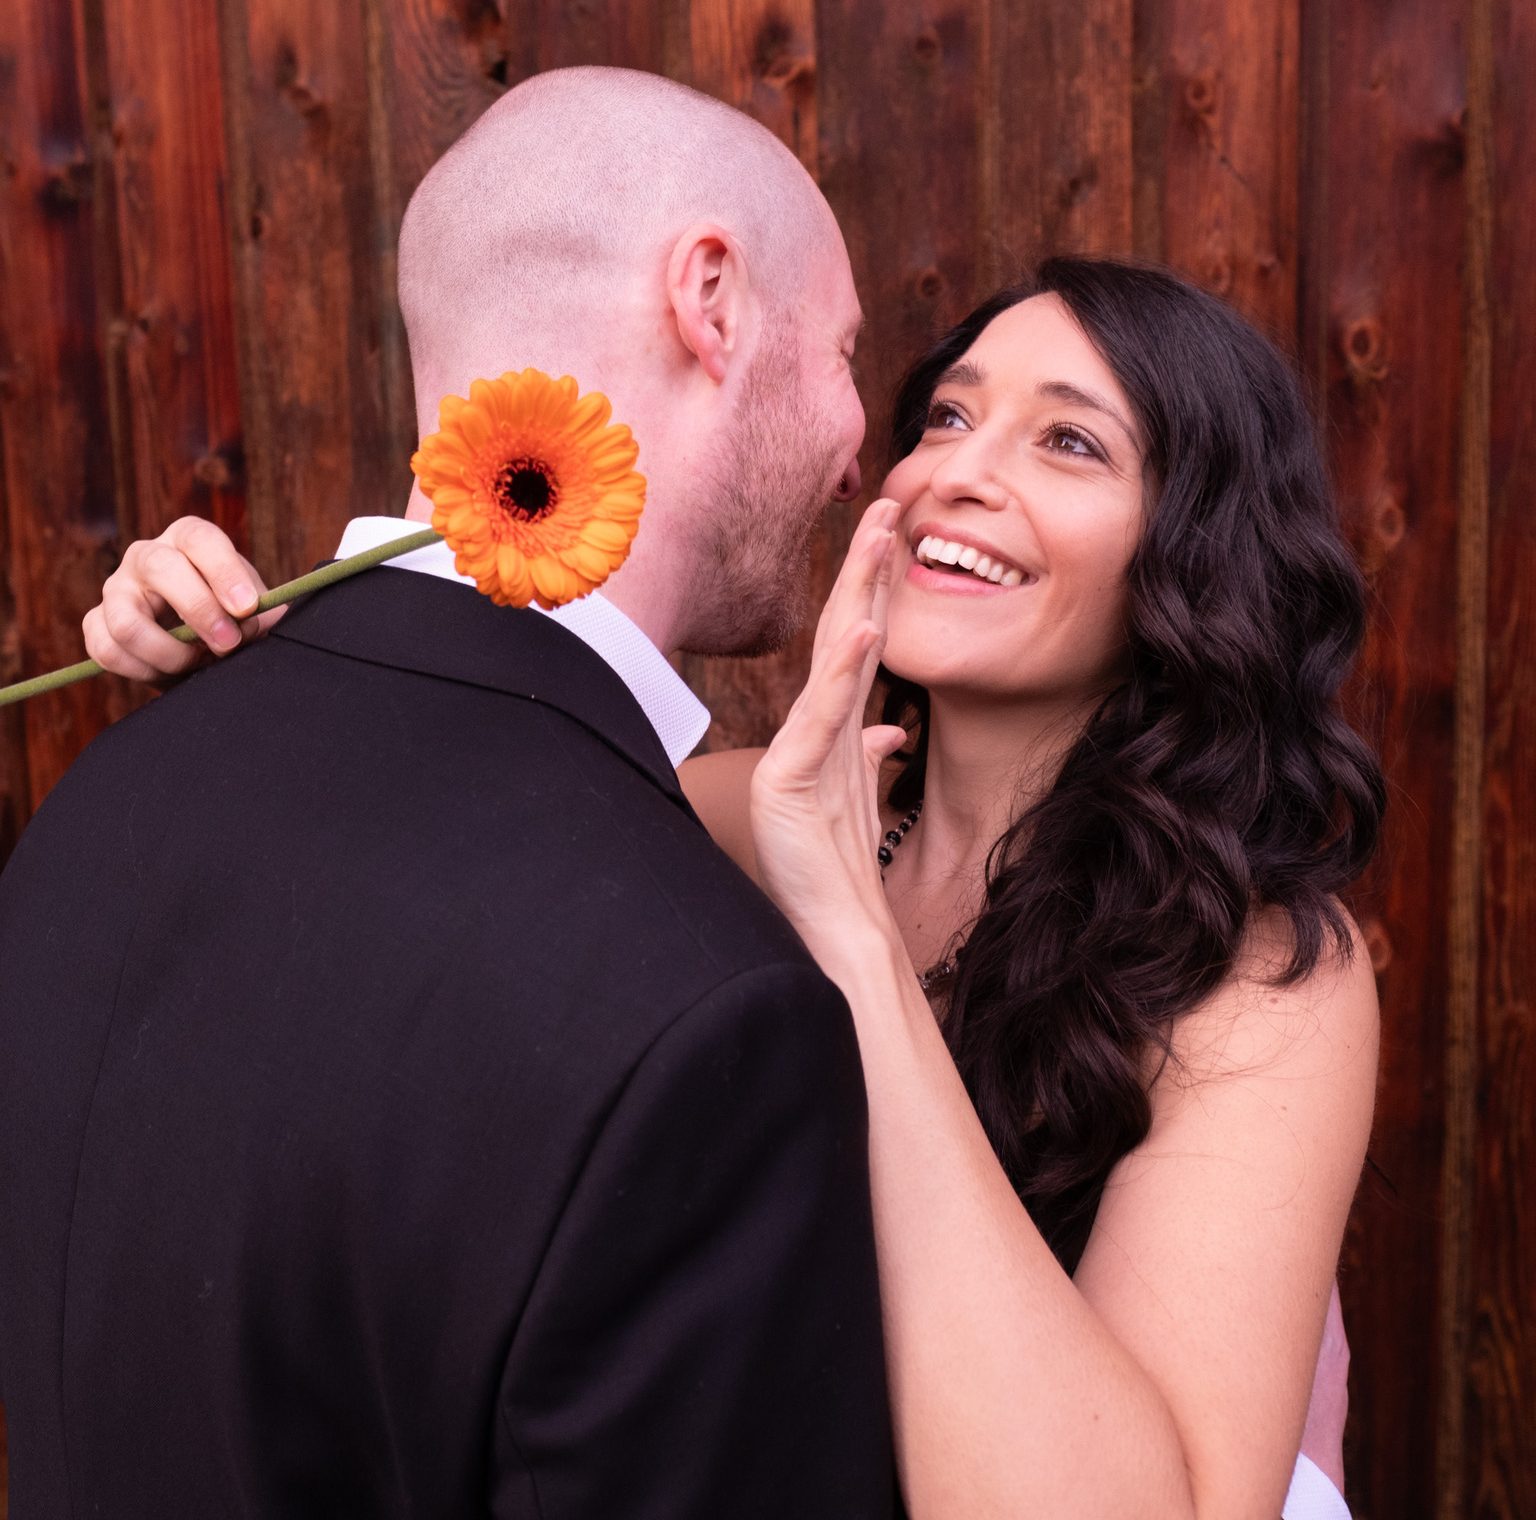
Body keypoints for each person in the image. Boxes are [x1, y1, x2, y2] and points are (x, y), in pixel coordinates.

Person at [83, 258, 1377, 1516]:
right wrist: (239, 658)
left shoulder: (1259, 978)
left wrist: (855, 942)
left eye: (1070, 443)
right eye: (948, 417)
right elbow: (396, 846)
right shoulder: (716, 815)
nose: (956, 474)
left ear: (1197, 549)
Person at [0, 68, 896, 1517]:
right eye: (846, 352)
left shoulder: (95, 814)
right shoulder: (706, 1010)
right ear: (711, 301)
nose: (860, 451)